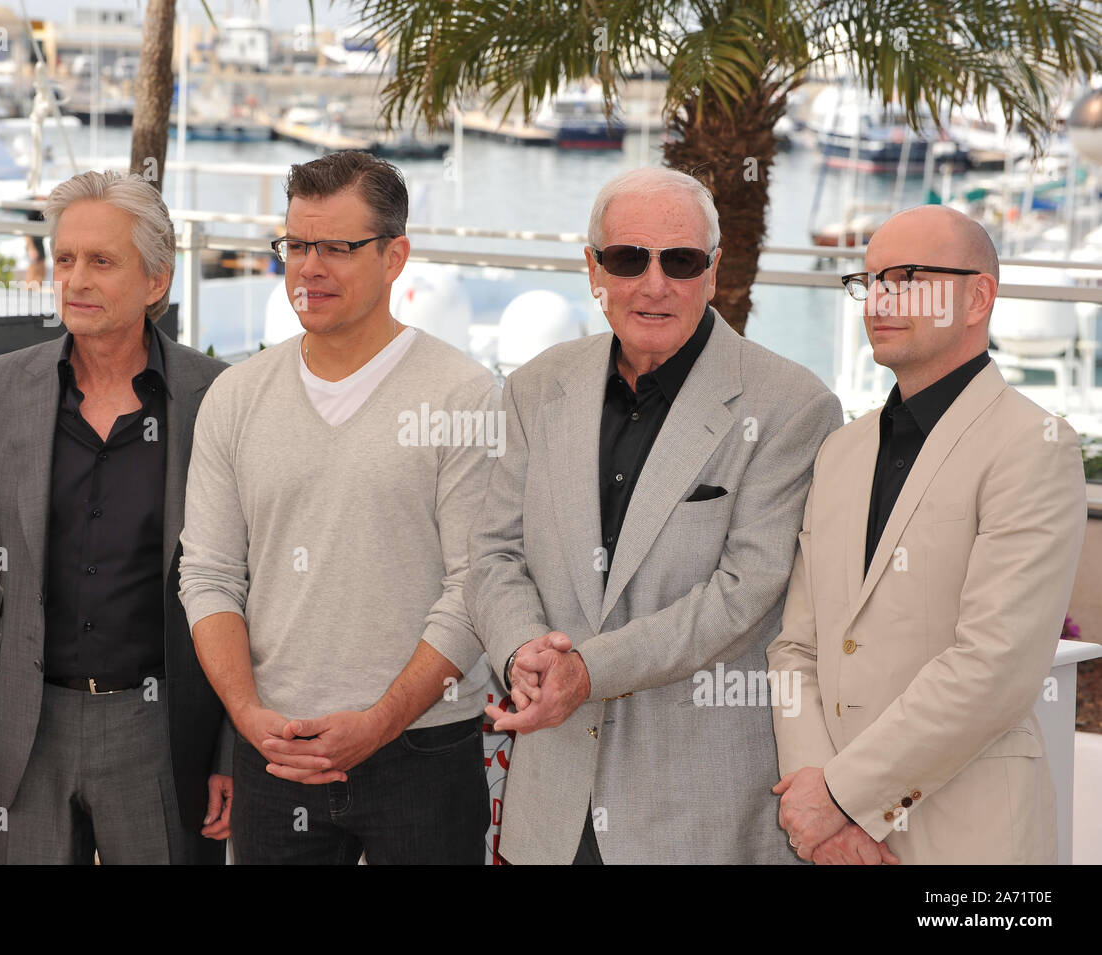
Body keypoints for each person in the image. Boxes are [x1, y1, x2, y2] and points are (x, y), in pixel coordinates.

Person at [465, 166, 844, 864]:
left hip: (698, 818)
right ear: (593, 268)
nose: (654, 283)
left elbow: (745, 594)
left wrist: (585, 669)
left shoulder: (792, 405)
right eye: (627, 258)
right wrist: (523, 650)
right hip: (549, 811)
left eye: (680, 260)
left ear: (713, 268)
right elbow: (493, 554)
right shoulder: (534, 387)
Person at [179, 150, 496, 865]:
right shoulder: (236, 397)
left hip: (423, 748)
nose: (309, 267)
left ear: (395, 257)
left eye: (336, 247)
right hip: (275, 754)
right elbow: (209, 574)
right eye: (296, 245)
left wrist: (380, 720)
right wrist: (248, 716)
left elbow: (476, 585)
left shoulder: (465, 397)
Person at [768, 204, 1087, 864]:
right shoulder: (841, 451)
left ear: (978, 297)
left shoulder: (1035, 445)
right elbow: (797, 645)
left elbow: (993, 666)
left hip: (970, 841)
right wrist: (818, 808)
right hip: (833, 839)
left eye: (907, 277)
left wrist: (840, 799)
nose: (878, 298)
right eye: (870, 279)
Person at [0, 170, 233, 864]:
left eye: (102, 261)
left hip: (160, 733)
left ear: (156, 280)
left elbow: (245, 581)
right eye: (64, 259)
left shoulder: (215, 396)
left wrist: (229, 749)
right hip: (25, 735)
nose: (76, 279)